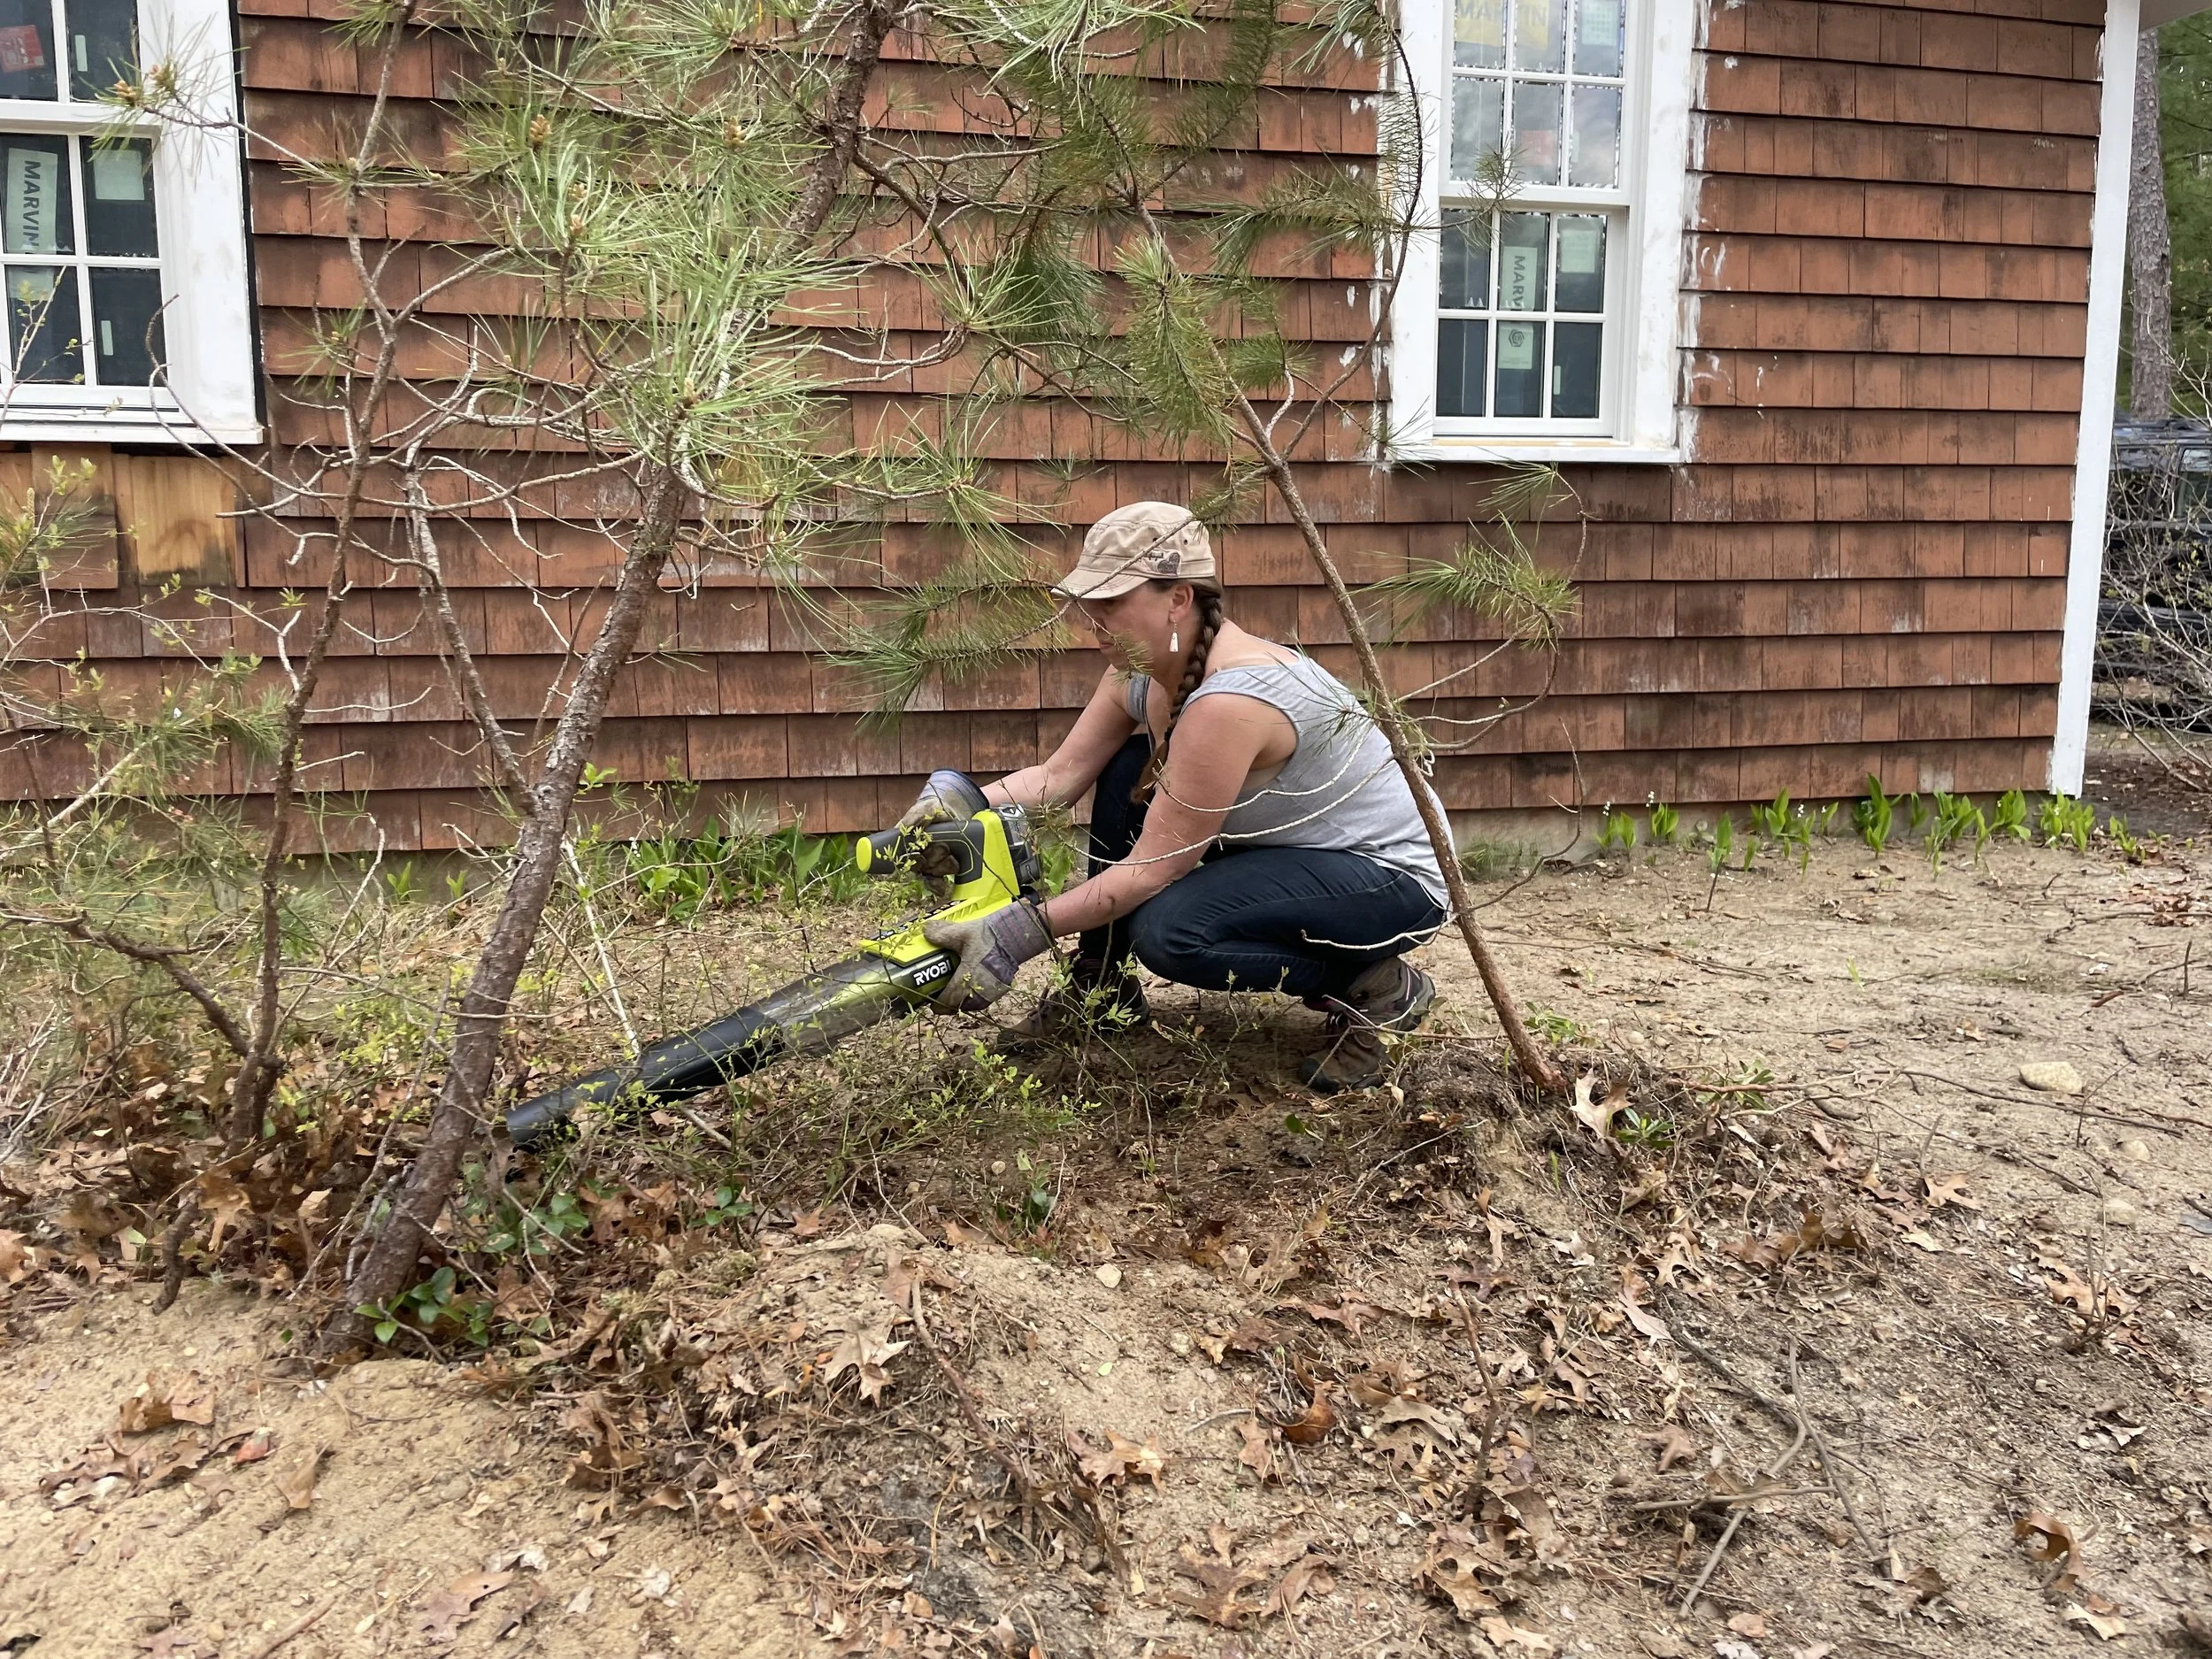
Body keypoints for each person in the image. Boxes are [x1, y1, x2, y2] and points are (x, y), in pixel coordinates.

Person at [905, 501, 1452, 1092]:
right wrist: (959, 804)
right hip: (1294, 848)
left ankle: (1373, 984)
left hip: (1390, 878)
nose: (1093, 620)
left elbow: (1149, 871)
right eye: (1090, 602)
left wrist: (1017, 933)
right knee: (1128, 770)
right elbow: (1059, 776)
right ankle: (1100, 985)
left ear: (1178, 598)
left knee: (1171, 931)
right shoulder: (1140, 670)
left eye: (1112, 602)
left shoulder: (1232, 700)